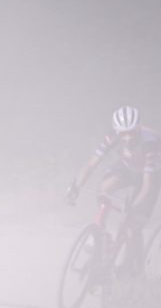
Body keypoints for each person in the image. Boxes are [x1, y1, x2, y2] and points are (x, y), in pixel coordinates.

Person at [65, 106, 161, 273]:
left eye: (132, 132)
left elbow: (147, 185)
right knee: (103, 189)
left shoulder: (150, 143)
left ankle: (130, 269)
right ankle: (100, 235)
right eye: (124, 133)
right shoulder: (112, 137)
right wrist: (75, 186)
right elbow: (91, 164)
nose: (128, 137)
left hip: (150, 174)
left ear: (138, 127)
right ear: (117, 131)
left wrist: (133, 208)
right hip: (128, 167)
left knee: (132, 224)